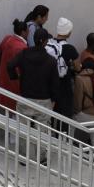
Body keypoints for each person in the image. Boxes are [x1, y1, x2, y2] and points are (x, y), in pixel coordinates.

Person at [7, 28, 60, 163]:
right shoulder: (51, 60)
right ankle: (41, 158)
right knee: (42, 131)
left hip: (25, 97)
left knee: (23, 129)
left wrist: (15, 77)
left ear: (33, 39)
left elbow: (10, 65)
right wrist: (54, 99)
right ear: (46, 42)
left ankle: (23, 157)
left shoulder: (24, 54)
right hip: (44, 100)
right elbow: (55, 83)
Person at [45, 17, 78, 118]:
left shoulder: (48, 43)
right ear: (68, 32)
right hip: (63, 86)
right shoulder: (70, 49)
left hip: (48, 84)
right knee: (63, 116)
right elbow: (77, 67)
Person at [0, 20, 29, 110]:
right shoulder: (22, 47)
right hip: (15, 83)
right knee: (14, 110)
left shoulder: (7, 39)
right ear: (23, 32)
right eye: (27, 31)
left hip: (3, 79)